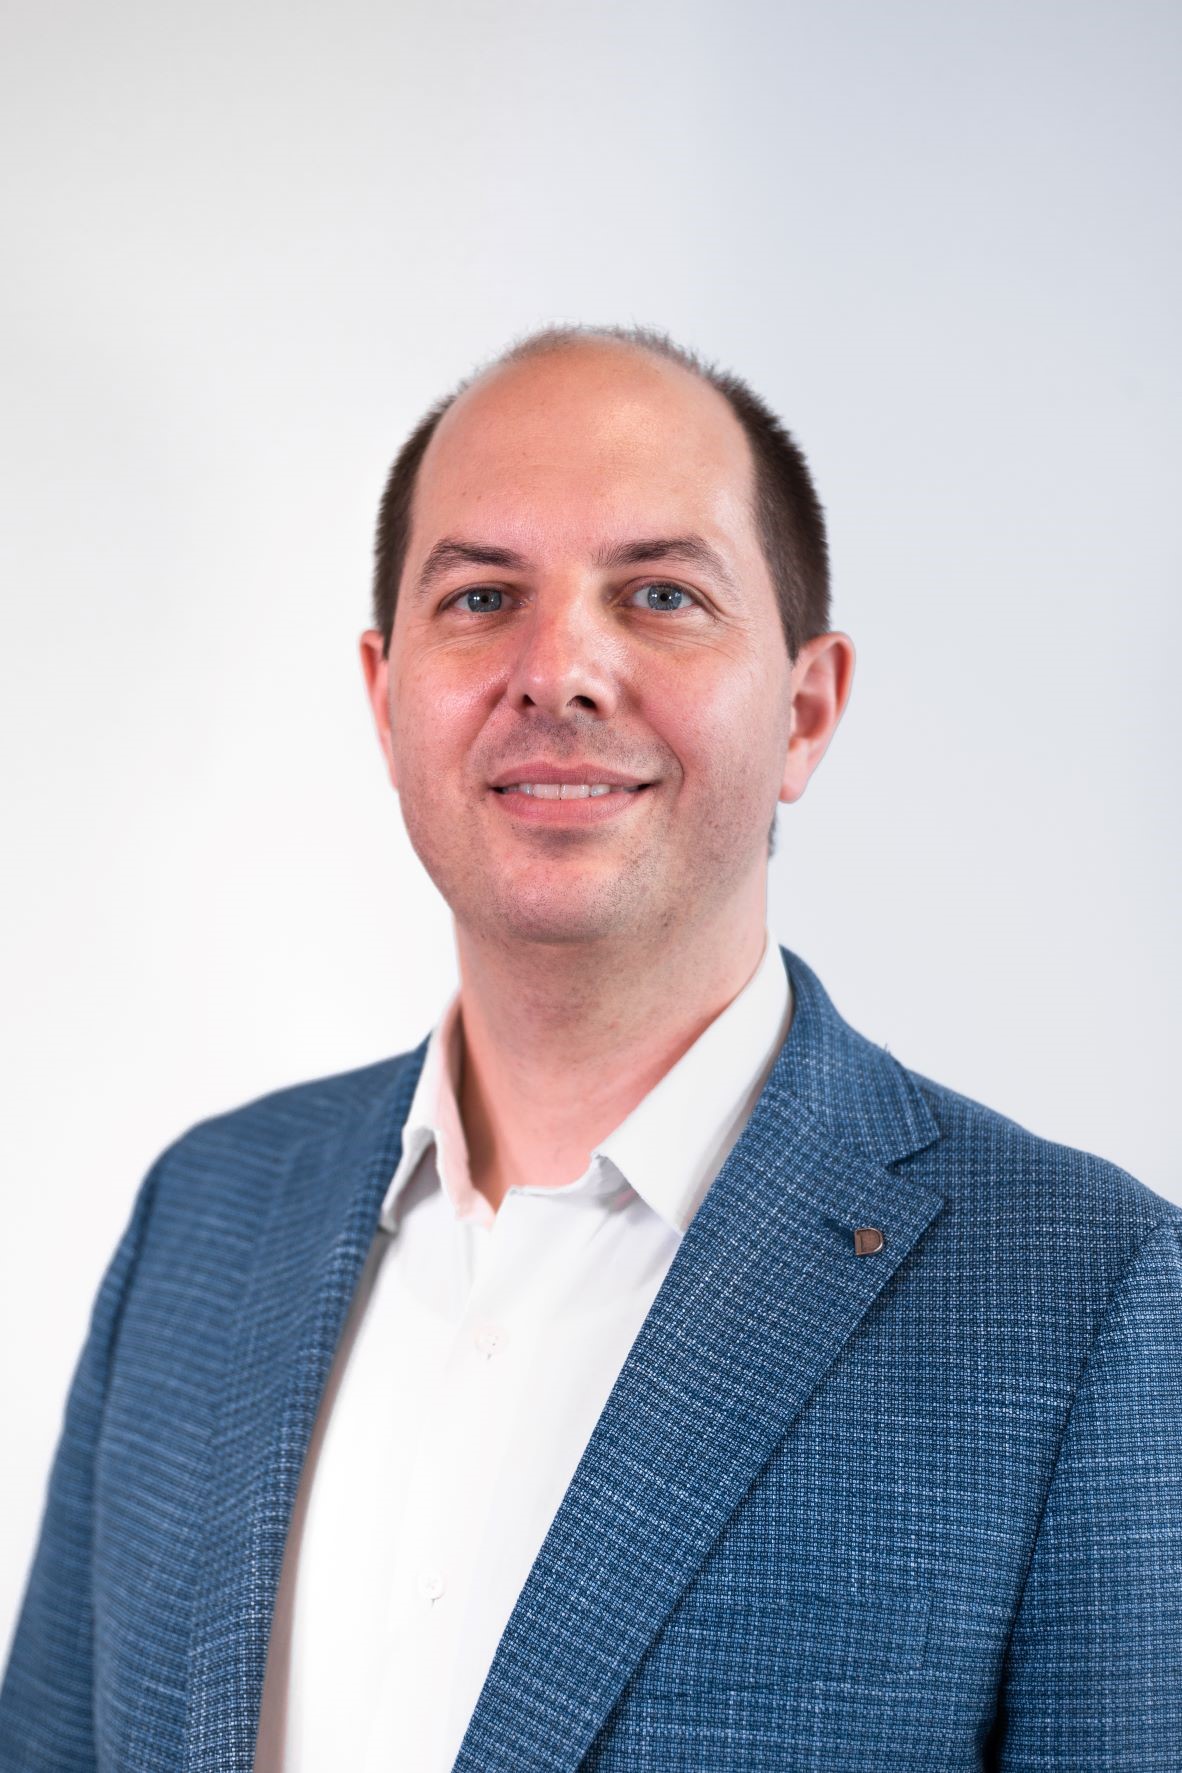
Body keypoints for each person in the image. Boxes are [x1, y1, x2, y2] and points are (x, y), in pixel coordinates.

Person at [1, 324, 1179, 1773]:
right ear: (384, 696)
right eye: (482, 597)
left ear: (806, 710)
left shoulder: (1080, 1301)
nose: (556, 668)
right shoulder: (204, 1215)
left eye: (661, 594)